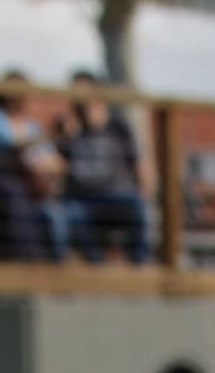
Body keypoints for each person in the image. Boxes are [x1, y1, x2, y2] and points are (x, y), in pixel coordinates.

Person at [58, 71, 150, 265]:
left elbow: (138, 162)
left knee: (138, 208)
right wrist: (67, 136)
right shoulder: (67, 128)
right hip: (82, 200)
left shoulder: (118, 124)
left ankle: (139, 267)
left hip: (118, 195)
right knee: (72, 215)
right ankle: (97, 267)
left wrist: (144, 189)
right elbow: (57, 168)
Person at [0, 71, 68, 261]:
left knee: (55, 216)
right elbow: (11, 147)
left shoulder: (31, 126)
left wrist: (47, 168)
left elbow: (53, 159)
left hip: (36, 188)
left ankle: (57, 269)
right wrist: (49, 135)